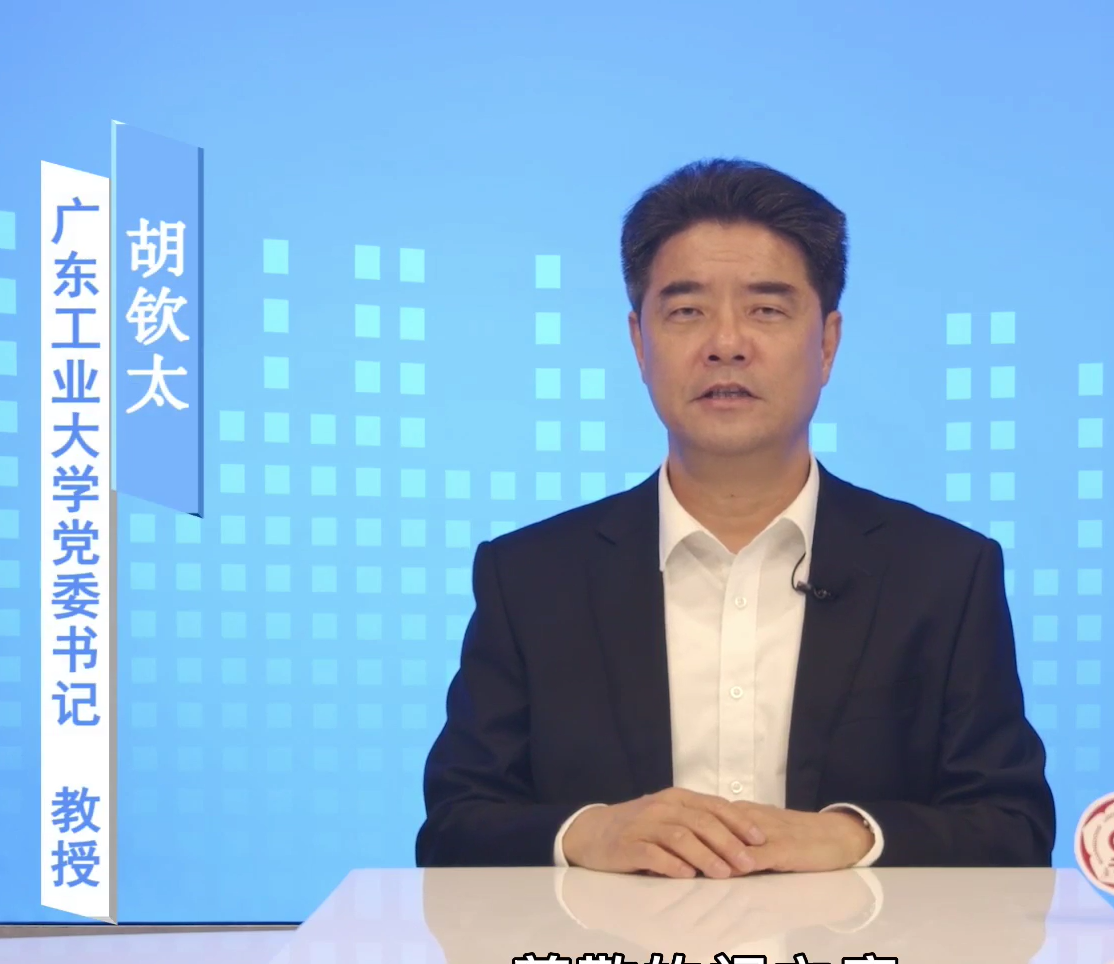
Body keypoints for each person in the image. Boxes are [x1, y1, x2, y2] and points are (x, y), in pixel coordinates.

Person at [416, 159, 1054, 875]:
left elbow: (1013, 829)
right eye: (686, 311)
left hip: (845, 952)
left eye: (766, 310)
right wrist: (587, 834)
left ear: (828, 343)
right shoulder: (533, 578)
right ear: (638, 342)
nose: (726, 343)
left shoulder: (942, 573)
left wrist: (852, 838)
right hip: (614, 953)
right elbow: (454, 829)